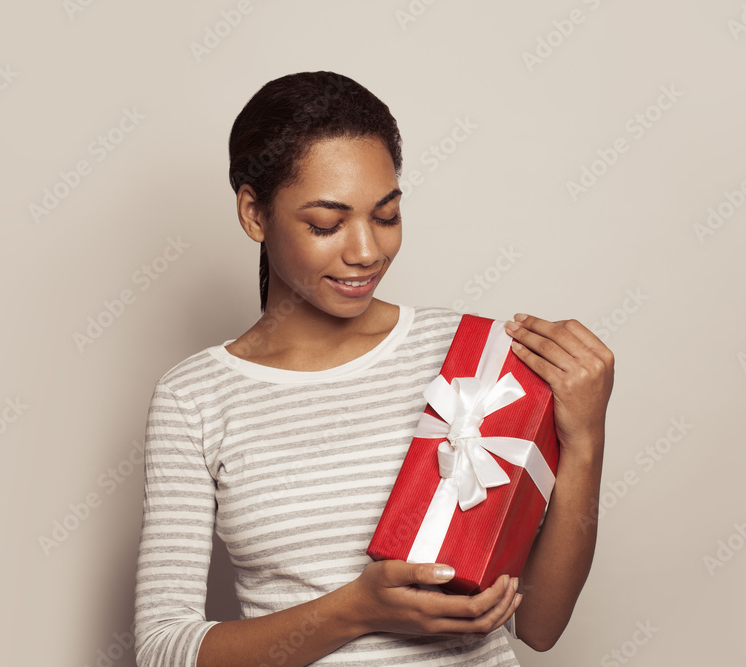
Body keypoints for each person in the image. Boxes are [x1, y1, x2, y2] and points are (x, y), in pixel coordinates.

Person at [132, 71, 614, 667]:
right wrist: (357, 608)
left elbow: (538, 624)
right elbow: (162, 651)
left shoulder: (475, 354)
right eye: (326, 225)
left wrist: (585, 440)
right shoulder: (194, 398)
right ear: (254, 213)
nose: (366, 251)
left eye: (385, 216)